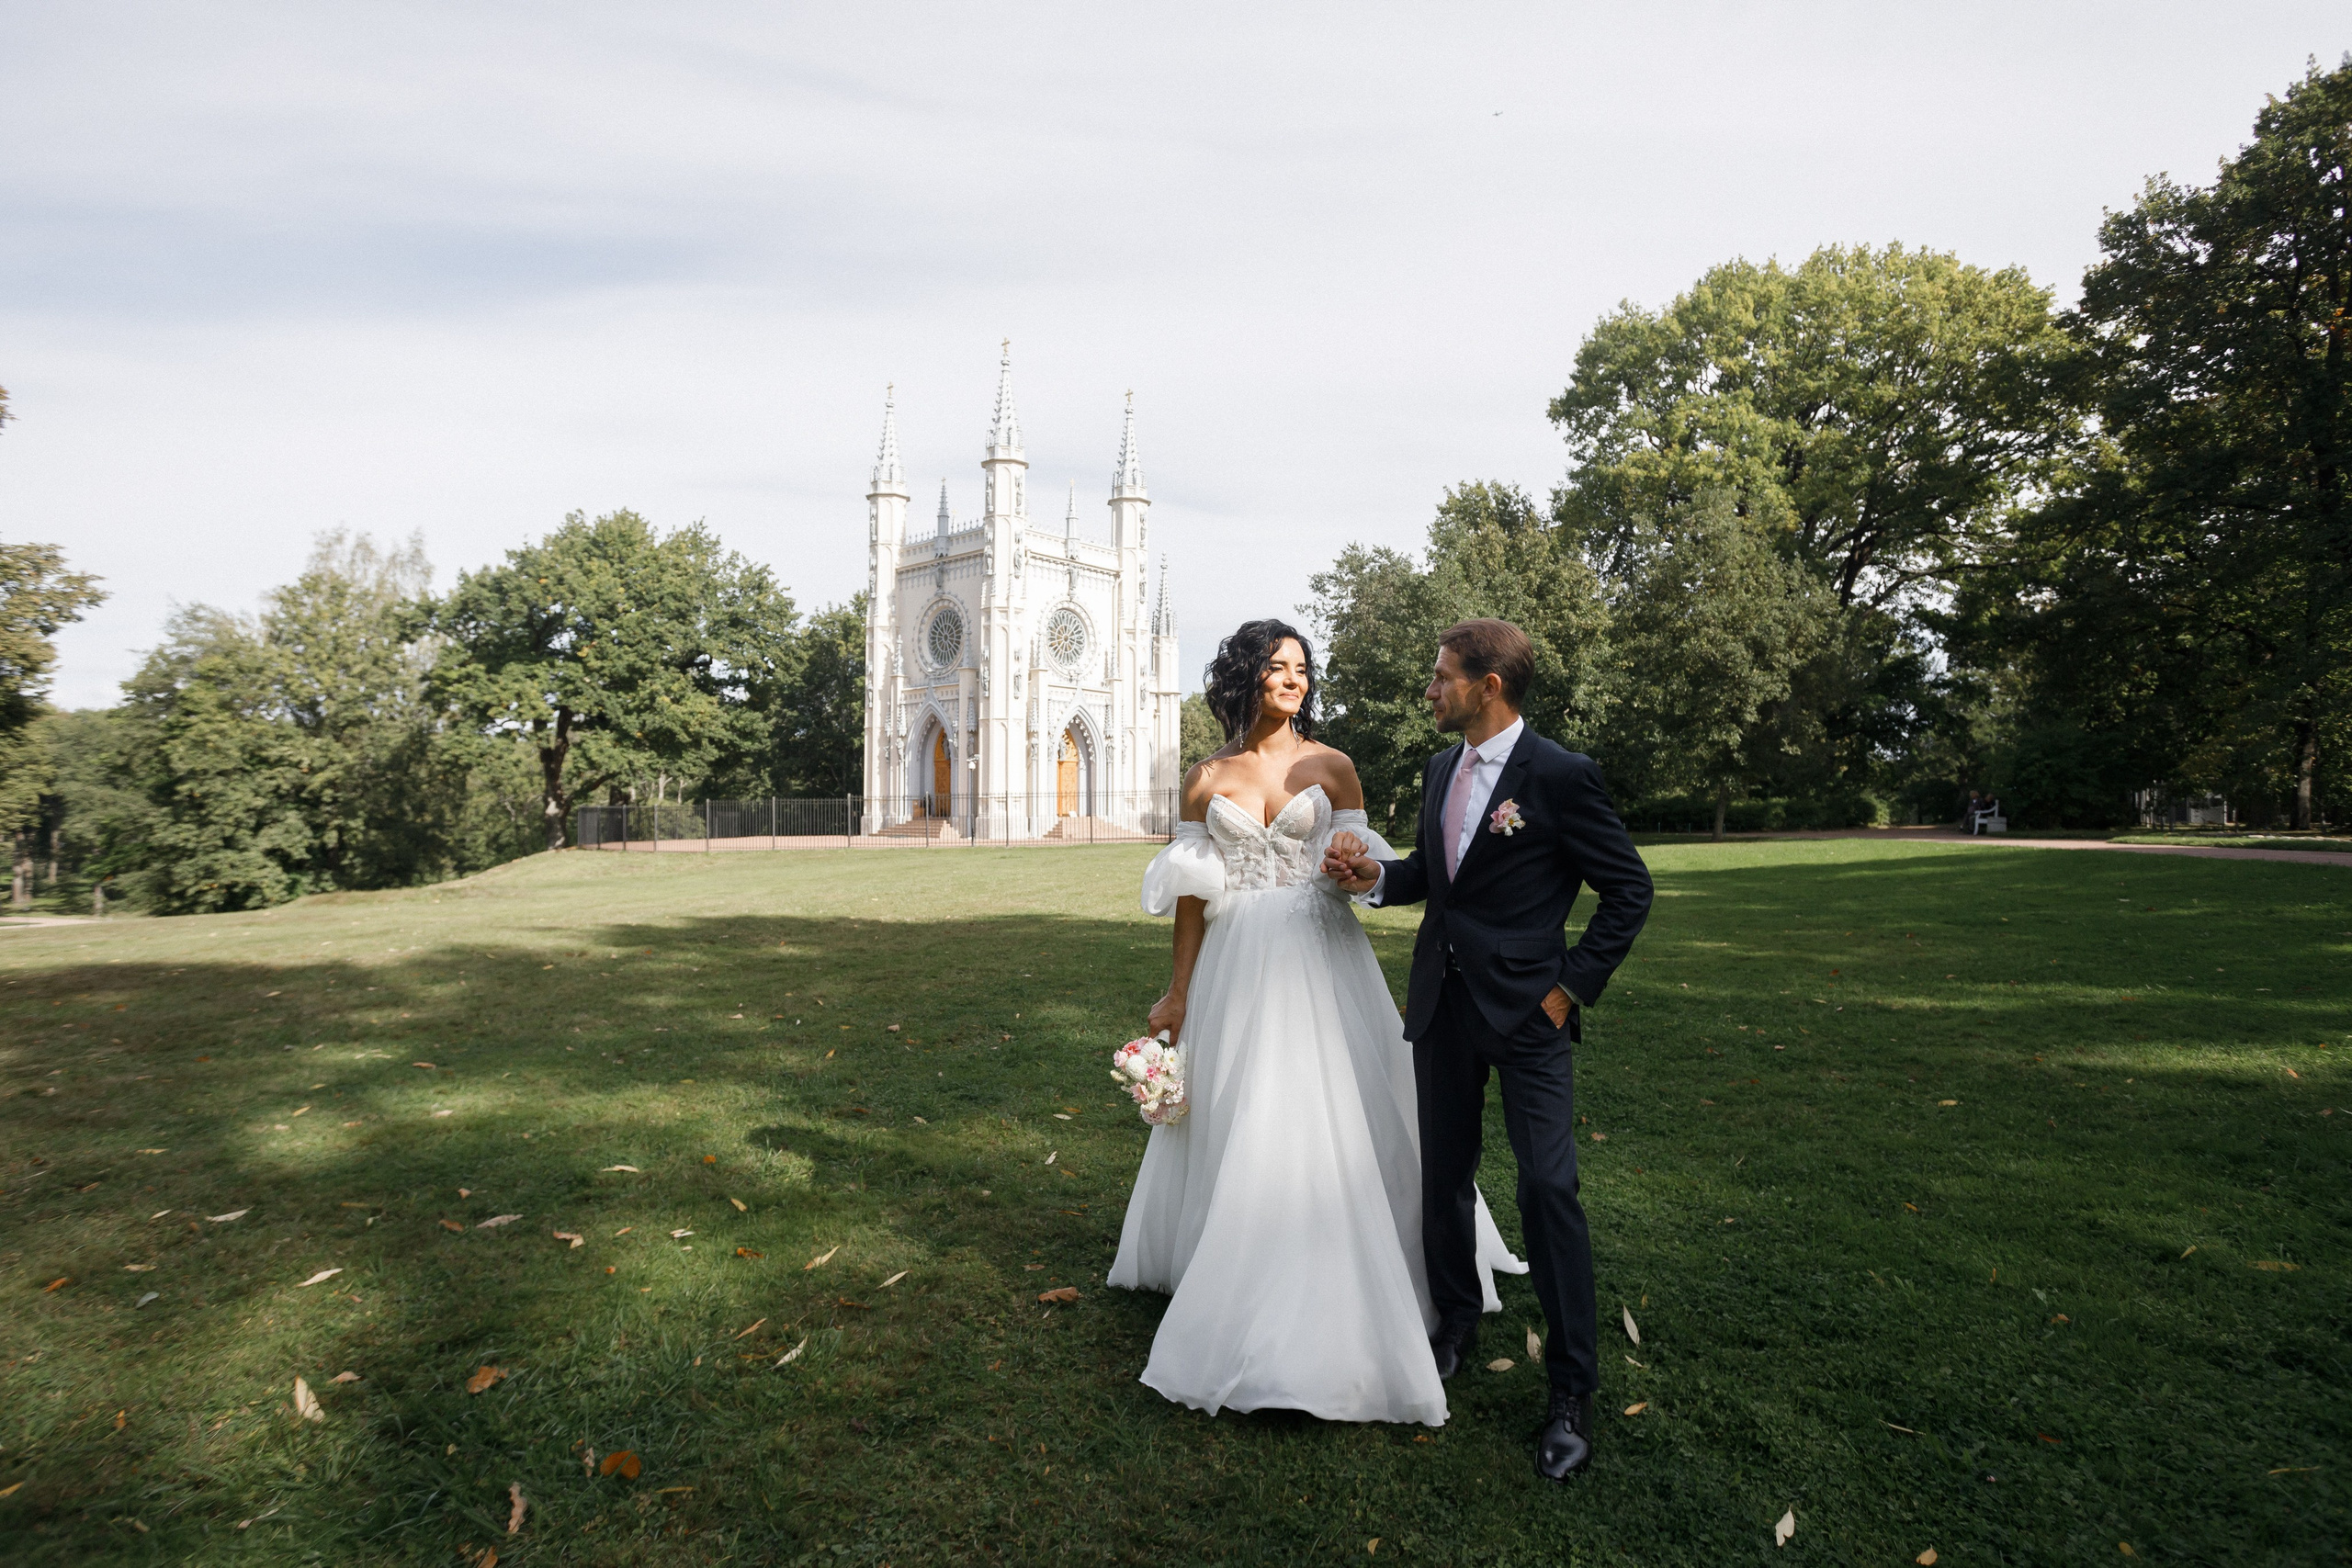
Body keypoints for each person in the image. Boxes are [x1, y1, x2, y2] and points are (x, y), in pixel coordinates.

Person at [1109, 618, 1524, 1426]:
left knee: (1342, 1109)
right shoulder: (1205, 777)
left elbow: (1360, 869)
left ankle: (1387, 1260)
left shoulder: (1332, 764)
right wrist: (1177, 990)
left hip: (1321, 954)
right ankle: (1237, 1262)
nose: (1292, 679)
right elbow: (1195, 897)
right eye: (1276, 666)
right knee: (1245, 1115)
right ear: (1246, 675)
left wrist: (1348, 869)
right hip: (1238, 962)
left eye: (1301, 668)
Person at [1324, 618, 1653, 1481]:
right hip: (1443, 1004)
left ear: (1488, 686)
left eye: (1441, 678)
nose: (1429, 691)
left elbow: (1629, 889)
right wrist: (1374, 880)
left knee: (1548, 1185)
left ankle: (1572, 1391)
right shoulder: (1439, 769)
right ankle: (1454, 1324)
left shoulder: (1561, 776)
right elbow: (1430, 878)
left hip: (1531, 1016)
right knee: (1445, 1176)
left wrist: (1570, 986)